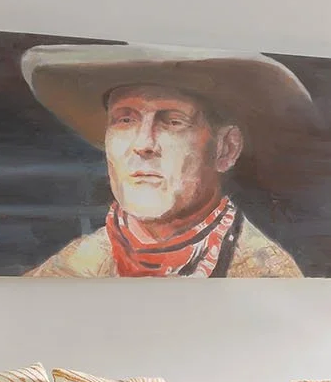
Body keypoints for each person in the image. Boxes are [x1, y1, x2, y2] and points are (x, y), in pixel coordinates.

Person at [19, 43, 310, 277]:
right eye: (125, 120)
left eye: (172, 121)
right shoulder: (64, 272)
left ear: (226, 149)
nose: (143, 144)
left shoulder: (266, 274)